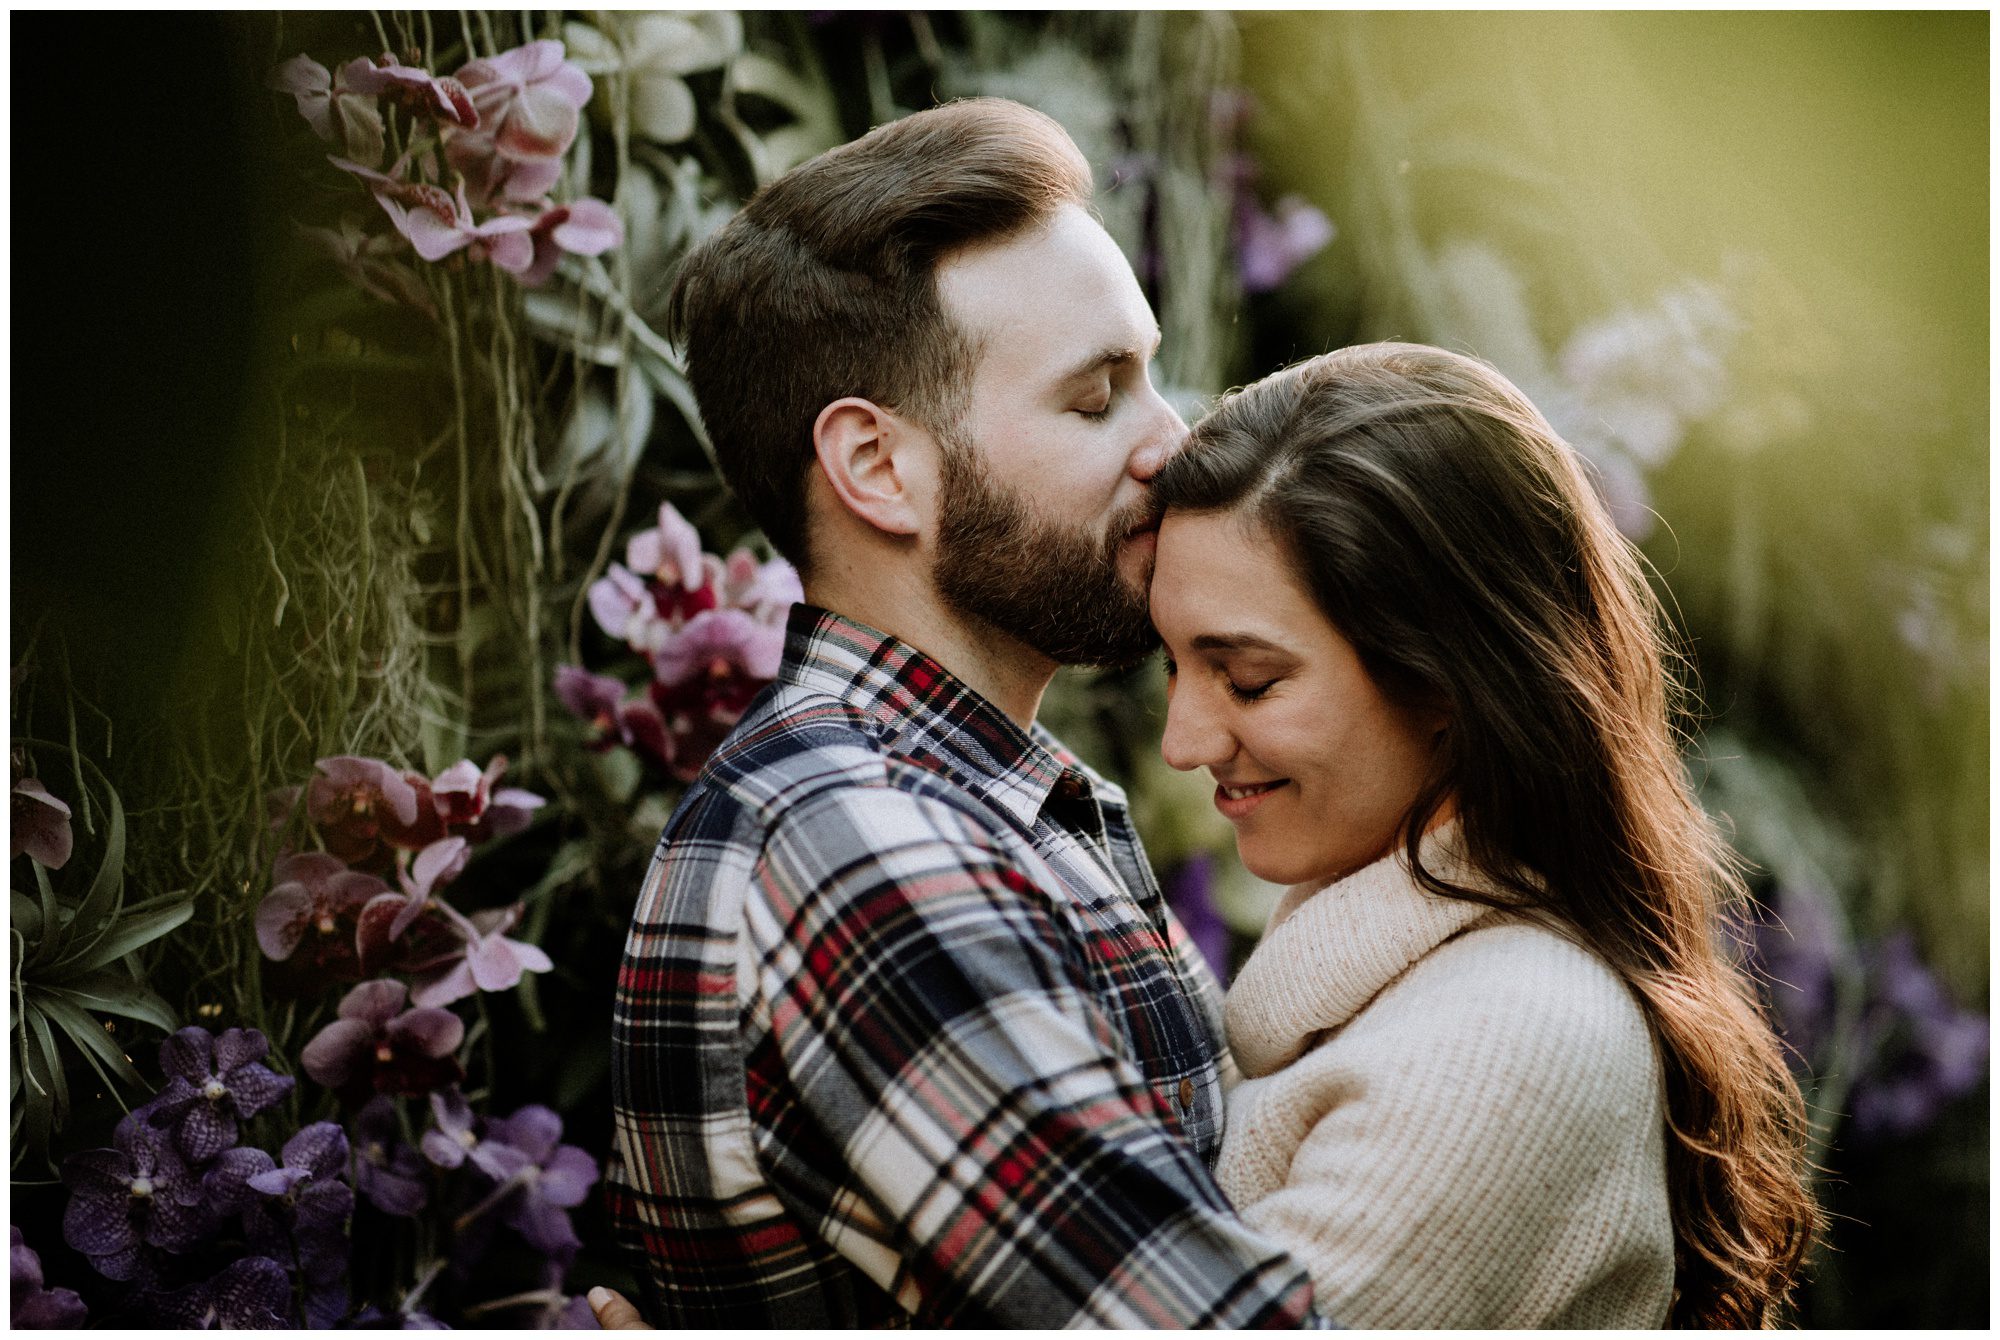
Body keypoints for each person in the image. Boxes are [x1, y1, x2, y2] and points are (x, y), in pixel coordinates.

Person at [600, 98, 1320, 1327]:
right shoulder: (854, 844)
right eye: (1097, 399)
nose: (1174, 442)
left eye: (1149, 379)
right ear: (878, 467)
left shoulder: (972, 800)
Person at [1147, 342, 1820, 1328]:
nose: (1181, 740)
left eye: (1246, 677)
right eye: (1171, 665)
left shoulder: (1507, 1042)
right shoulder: (1383, 972)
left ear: (1443, 682)